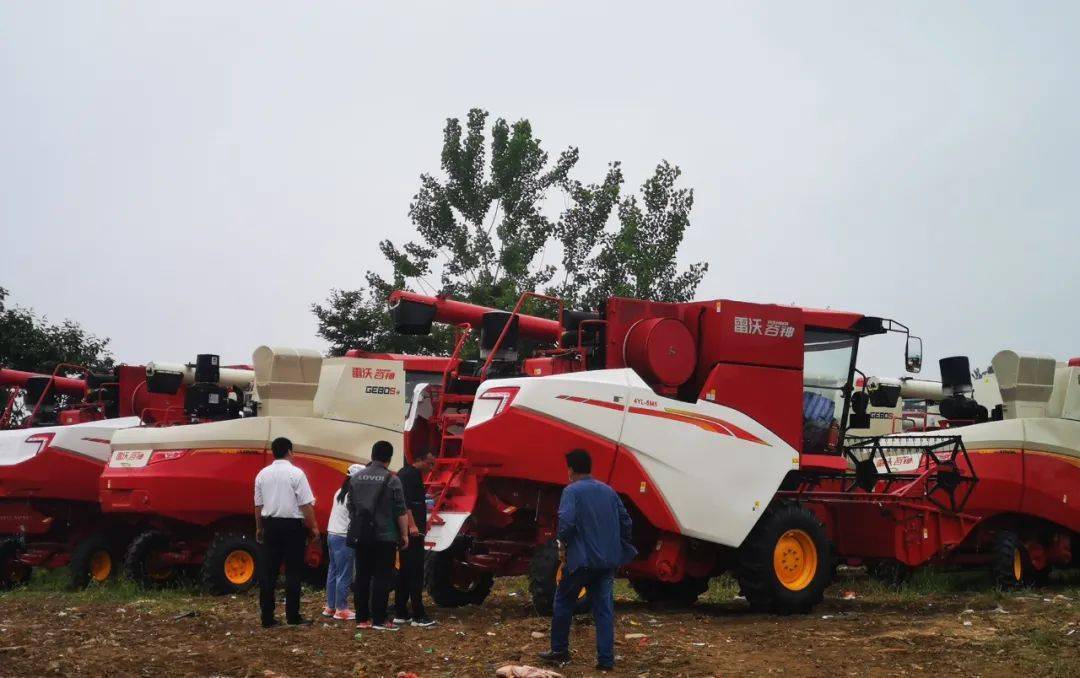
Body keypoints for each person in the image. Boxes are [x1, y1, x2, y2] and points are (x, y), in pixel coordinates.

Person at [540, 449, 636, 672]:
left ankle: (559, 651)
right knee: (603, 610)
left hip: (581, 561)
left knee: (563, 600)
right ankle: (605, 660)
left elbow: (566, 523)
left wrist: (562, 543)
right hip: (607, 562)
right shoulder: (609, 491)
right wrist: (617, 544)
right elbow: (626, 522)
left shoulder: (571, 491)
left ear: (571, 469)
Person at [254, 437, 319, 628]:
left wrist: (259, 527)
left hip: (270, 525)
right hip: (292, 527)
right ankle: (293, 616)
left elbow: (258, 506)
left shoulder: (262, 474)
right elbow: (305, 504)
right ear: (290, 451)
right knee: (293, 572)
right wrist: (314, 526)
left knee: (268, 573)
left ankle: (267, 618)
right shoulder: (296, 474)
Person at [347, 440, 409, 631]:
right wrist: (404, 535)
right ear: (389, 458)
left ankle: (362, 619)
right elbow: (400, 510)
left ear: (372, 455)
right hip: (386, 536)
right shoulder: (392, 480)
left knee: (362, 576)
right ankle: (380, 620)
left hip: (362, 536)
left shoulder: (356, 478)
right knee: (382, 577)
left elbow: (350, 507)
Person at [392, 449, 437, 627]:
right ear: (418, 459)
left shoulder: (411, 475)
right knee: (415, 572)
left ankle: (401, 612)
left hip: (411, 531)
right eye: (429, 463)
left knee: (405, 572)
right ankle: (418, 614)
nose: (431, 467)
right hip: (412, 532)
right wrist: (412, 525)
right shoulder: (409, 475)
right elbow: (406, 503)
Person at [322, 463, 365, 621]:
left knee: (333, 571)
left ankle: (331, 606)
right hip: (343, 536)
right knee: (344, 574)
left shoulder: (340, 492)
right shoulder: (354, 495)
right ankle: (342, 608)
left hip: (332, 534)